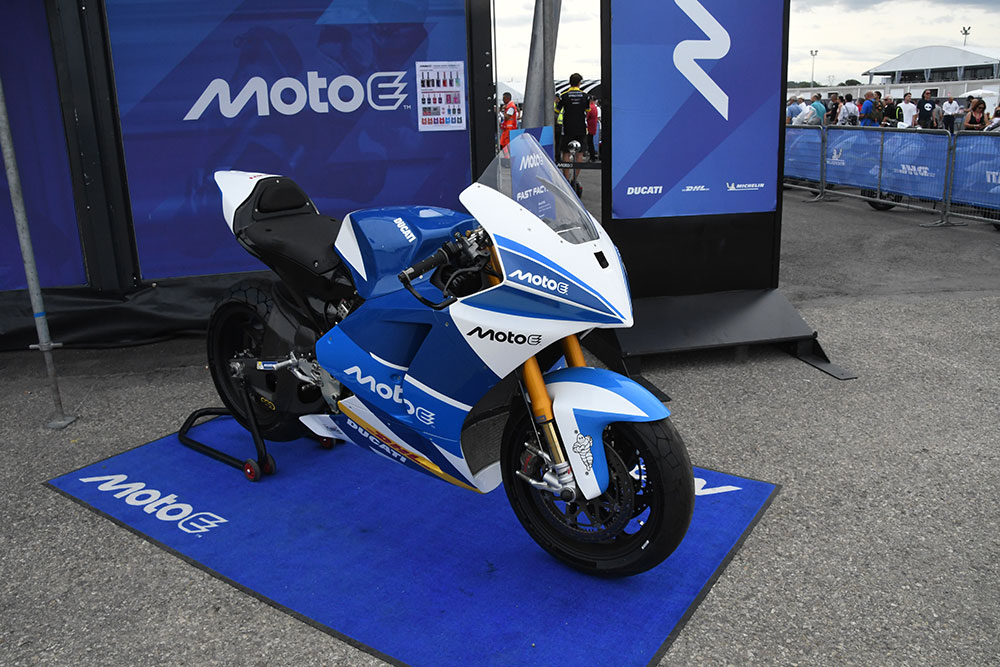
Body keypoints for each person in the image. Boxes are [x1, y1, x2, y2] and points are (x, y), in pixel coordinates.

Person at [556, 73, 589, 188]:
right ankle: (574, 179)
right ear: (580, 83)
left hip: (567, 128)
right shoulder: (585, 96)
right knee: (579, 153)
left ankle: (565, 180)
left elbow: (557, 110)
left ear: (570, 82)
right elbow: (587, 110)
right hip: (580, 128)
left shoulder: (564, 95)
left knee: (566, 152)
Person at [586, 96, 599, 161]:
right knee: (591, 142)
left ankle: (592, 157)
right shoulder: (595, 107)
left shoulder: (590, 107)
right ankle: (592, 156)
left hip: (589, 127)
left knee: (589, 142)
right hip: (593, 127)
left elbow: (586, 117)